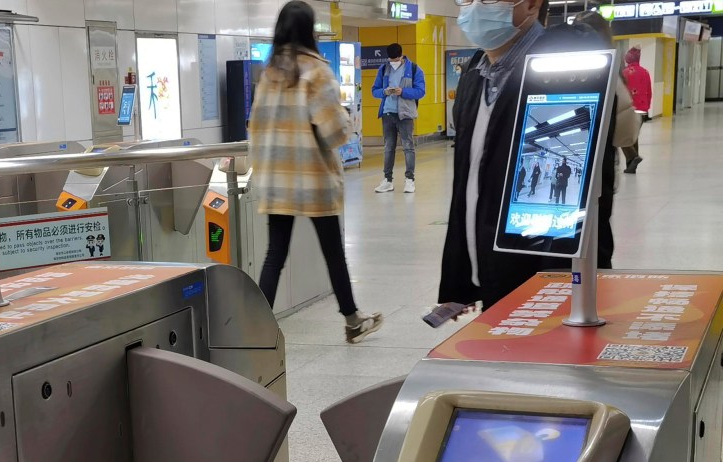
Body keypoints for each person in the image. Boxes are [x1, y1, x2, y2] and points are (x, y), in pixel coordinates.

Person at [437, 0, 606, 311]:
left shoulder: (567, 70)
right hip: (486, 268)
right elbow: (468, 179)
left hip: (540, 280)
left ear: (530, 4)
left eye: (488, 0)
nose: (473, 8)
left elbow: (590, 197)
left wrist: (560, 286)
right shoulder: (475, 74)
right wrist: (460, 276)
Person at [249, 0, 382, 344]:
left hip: (277, 179)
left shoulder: (268, 75)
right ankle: (352, 320)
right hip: (312, 180)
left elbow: (257, 128)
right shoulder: (316, 72)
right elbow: (334, 132)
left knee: (274, 255)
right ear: (310, 30)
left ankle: (256, 330)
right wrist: (347, 122)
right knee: (332, 251)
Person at [570, 10, 640, 268]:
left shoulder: (553, 66)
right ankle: (597, 286)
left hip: (569, 163)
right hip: (600, 171)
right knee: (597, 233)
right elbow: (626, 134)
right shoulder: (610, 70)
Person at [372, 43, 426, 193]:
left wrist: (403, 91)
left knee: (408, 146)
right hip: (388, 113)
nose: (393, 62)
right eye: (391, 60)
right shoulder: (383, 69)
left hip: (405, 114)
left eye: (395, 59)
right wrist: (385, 92)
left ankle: (410, 179)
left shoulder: (415, 70)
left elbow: (420, 91)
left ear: (401, 56)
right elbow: (374, 91)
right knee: (388, 147)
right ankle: (387, 180)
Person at [622, 47, 652, 173]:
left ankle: (634, 157)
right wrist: (646, 108)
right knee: (633, 137)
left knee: (621, 136)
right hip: (642, 110)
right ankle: (631, 166)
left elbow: (621, 92)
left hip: (629, 110)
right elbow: (649, 92)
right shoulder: (645, 72)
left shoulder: (625, 73)